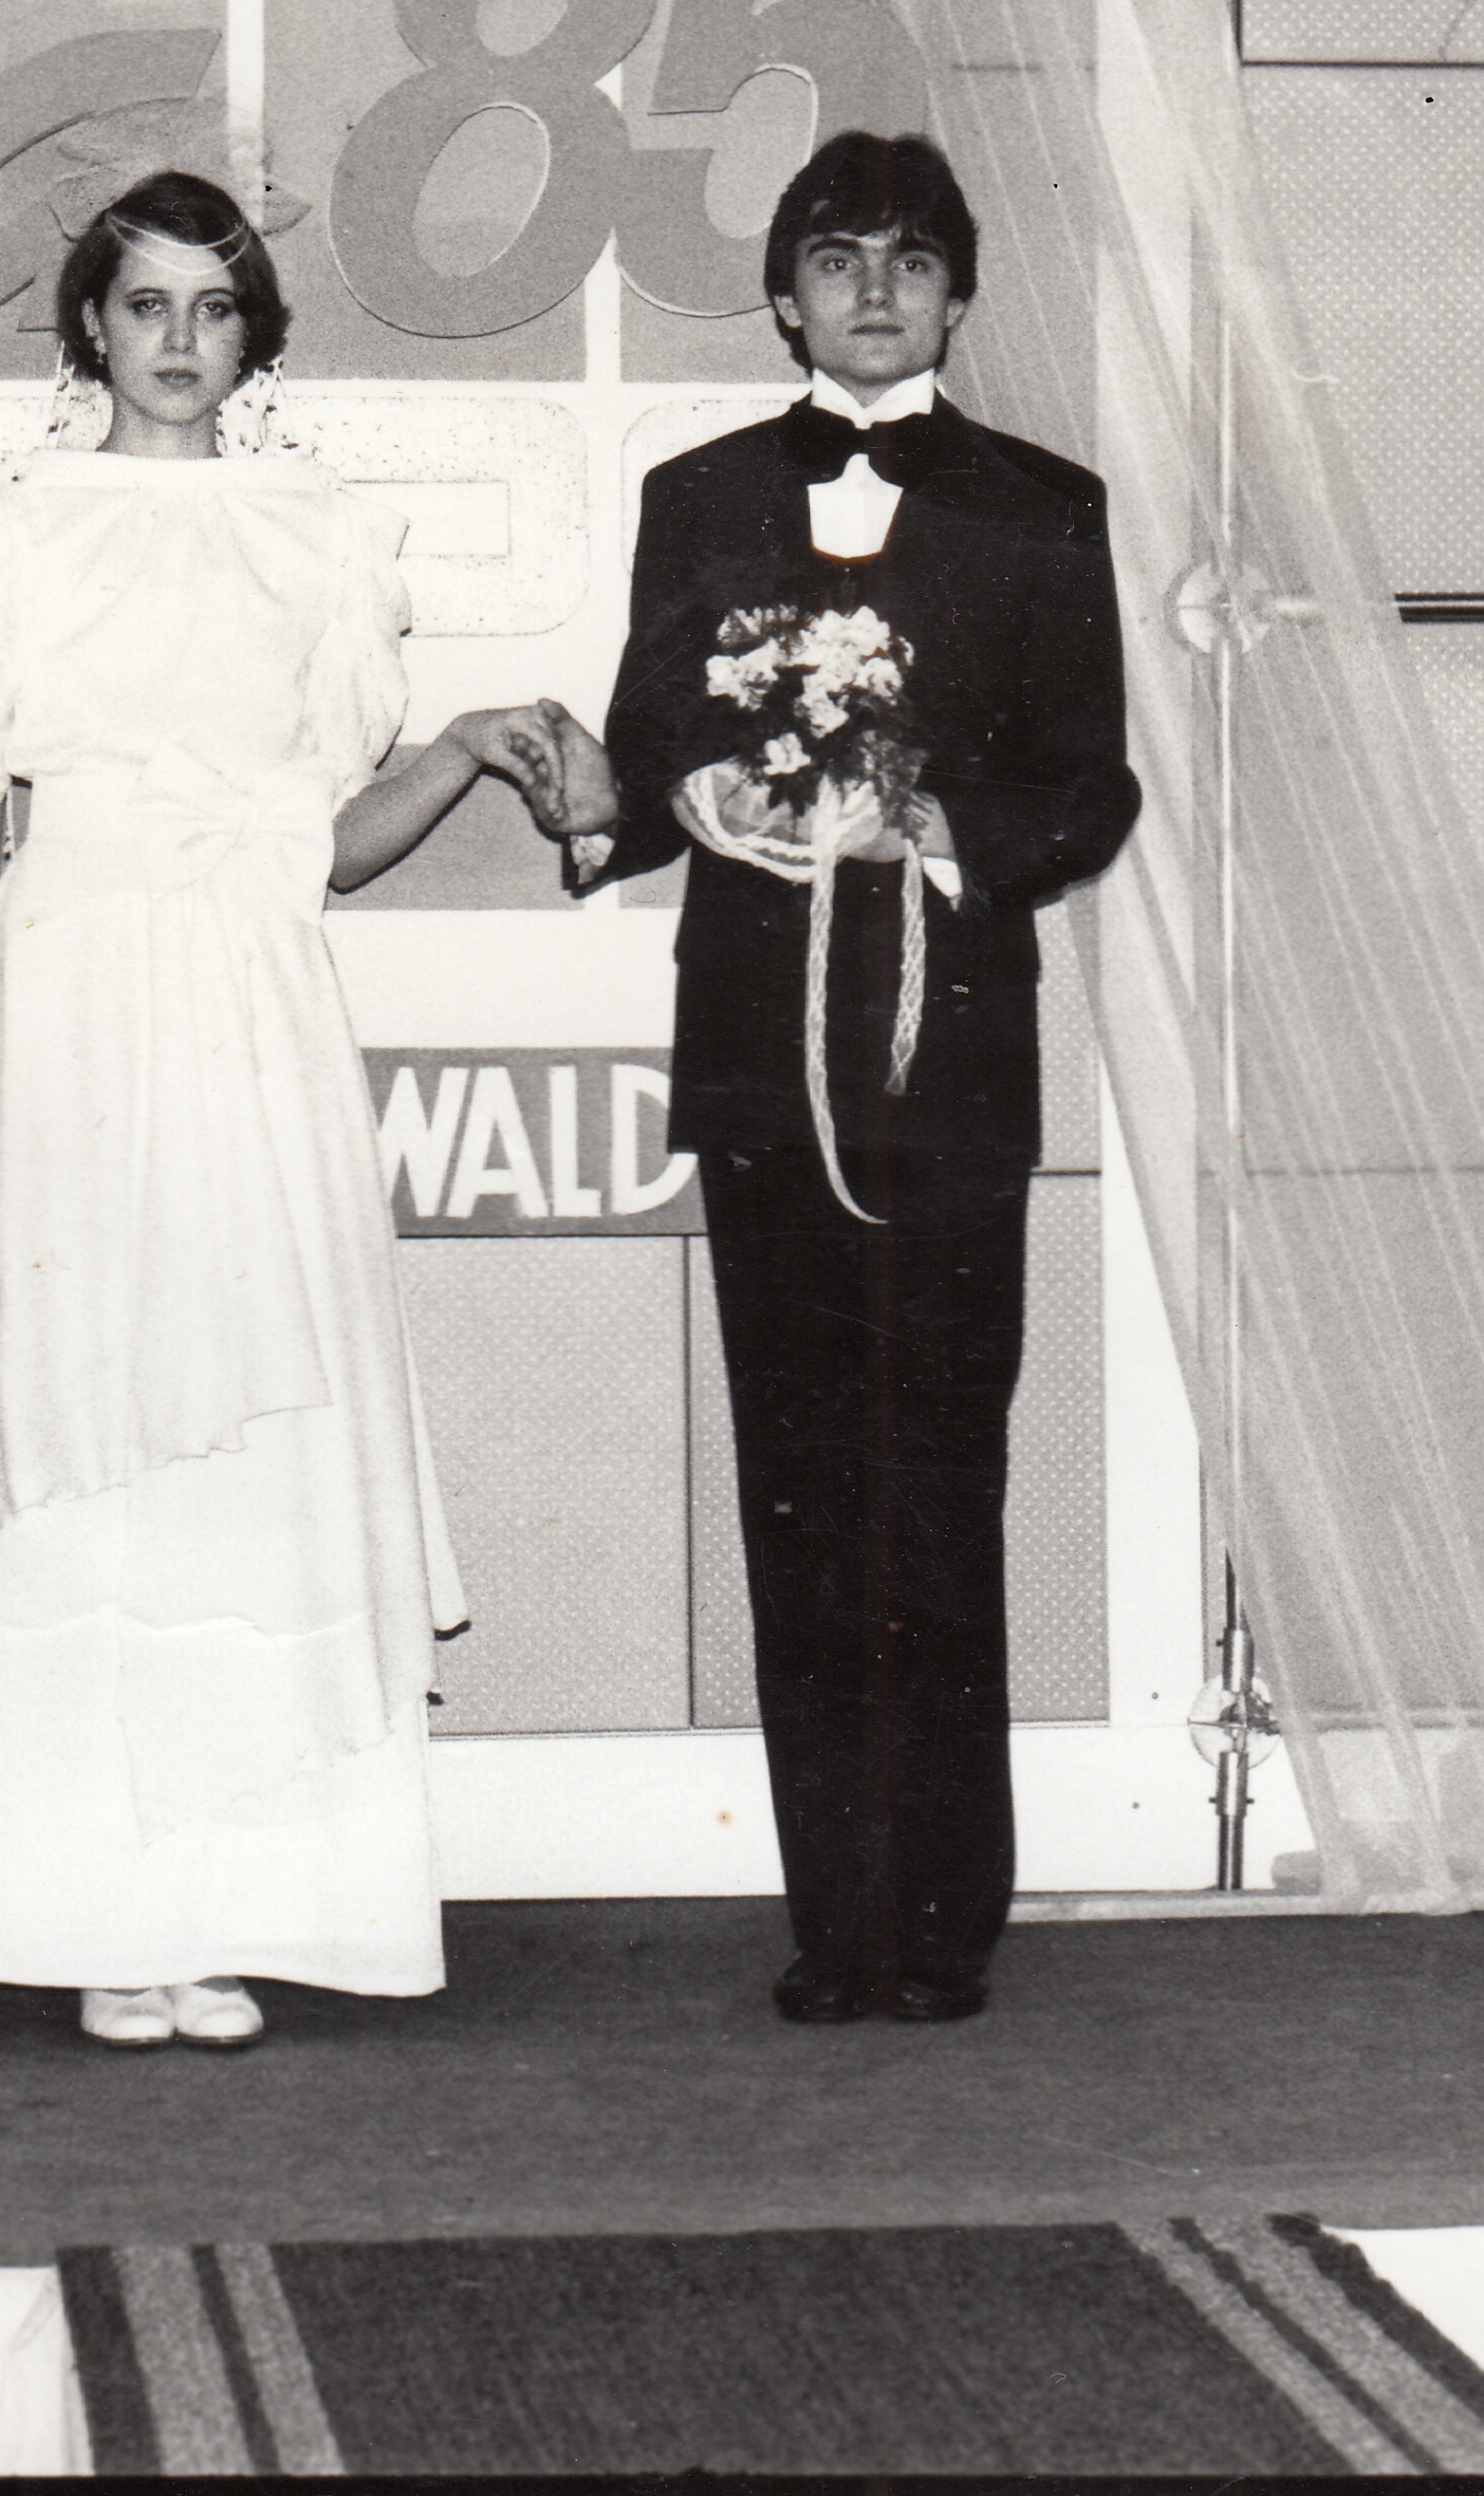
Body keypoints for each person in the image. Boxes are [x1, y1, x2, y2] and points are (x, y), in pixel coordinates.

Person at [0, 171, 581, 2050]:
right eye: (144, 303)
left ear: (254, 338)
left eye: (212, 308)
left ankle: (241, 1902)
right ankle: (91, 1910)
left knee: (252, 1455)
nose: (175, 339)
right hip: (65, 1023)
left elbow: (319, 844)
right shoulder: (2, 538)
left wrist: (461, 751)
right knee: (89, 1448)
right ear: (89, 323)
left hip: (252, 1019)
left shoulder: (316, 538)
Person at [558, 132, 1138, 2023]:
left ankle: (941, 1922)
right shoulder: (697, 495)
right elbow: (646, 739)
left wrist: (930, 825)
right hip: (755, 1061)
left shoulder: (1045, 504)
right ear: (782, 298)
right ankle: (836, 1920)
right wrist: (692, 790)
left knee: (939, 1482)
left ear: (955, 294)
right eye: (834, 257)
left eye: (907, 258)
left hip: (949, 1069)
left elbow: (1089, 785)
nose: (873, 289)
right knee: (799, 1488)